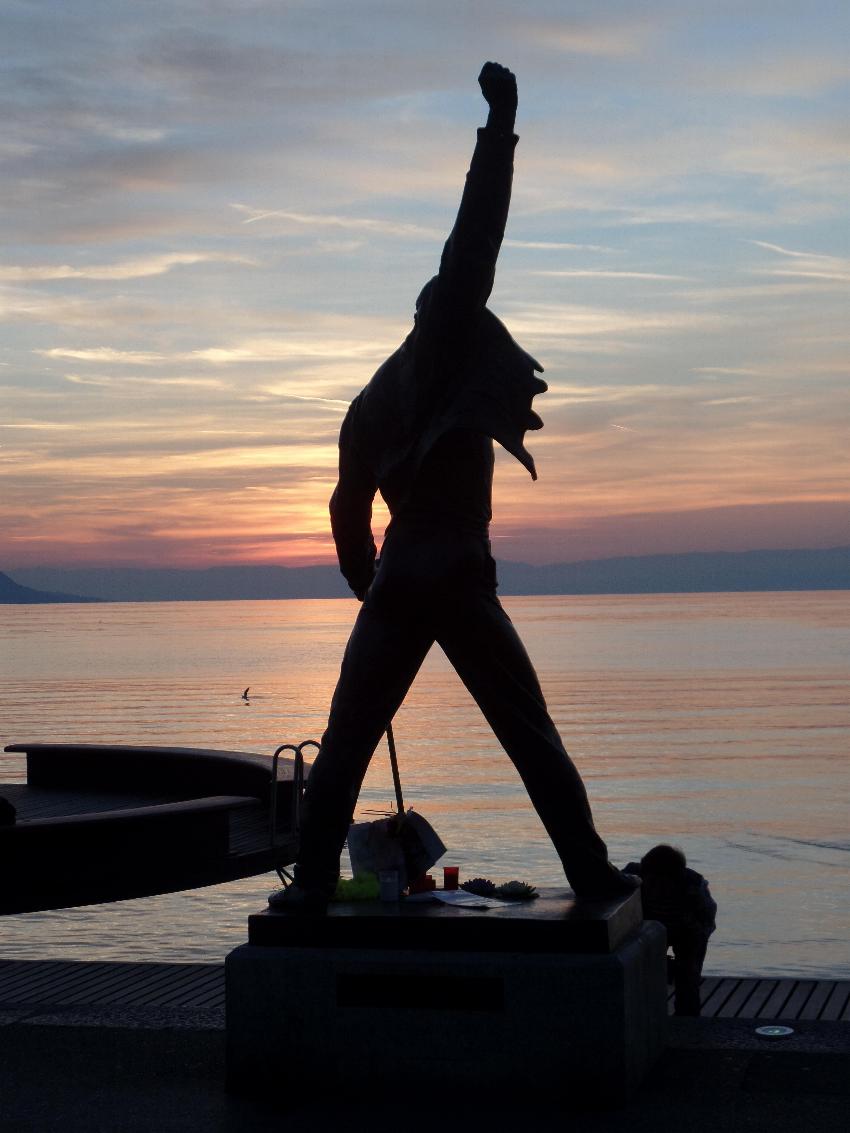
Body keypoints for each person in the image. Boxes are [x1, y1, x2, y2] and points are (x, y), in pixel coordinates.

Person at [271, 62, 637, 912]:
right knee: (528, 733)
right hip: (457, 572)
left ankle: (315, 879)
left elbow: (344, 509)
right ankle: (589, 871)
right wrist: (501, 124)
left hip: (400, 578)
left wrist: (370, 585)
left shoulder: (367, 402)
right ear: (439, 316)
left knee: (349, 737)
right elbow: (476, 238)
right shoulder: (444, 346)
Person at [625, 845, 717, 1016]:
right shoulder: (632, 877)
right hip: (651, 928)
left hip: (689, 931)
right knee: (646, 972)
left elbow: (707, 918)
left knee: (689, 977)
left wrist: (693, 951)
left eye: (659, 882)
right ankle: (648, 1015)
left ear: (674, 878)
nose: (653, 887)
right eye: (649, 879)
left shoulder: (693, 887)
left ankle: (687, 1019)